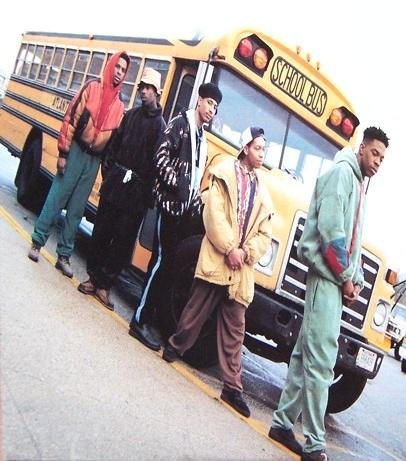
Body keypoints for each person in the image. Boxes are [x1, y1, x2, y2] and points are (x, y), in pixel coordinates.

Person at [268, 126, 389, 461]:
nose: (377, 162)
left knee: (303, 356)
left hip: (334, 280)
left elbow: (352, 239)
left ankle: (282, 424)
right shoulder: (342, 176)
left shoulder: (357, 183)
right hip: (326, 279)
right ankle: (314, 444)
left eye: (382, 158)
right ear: (361, 148)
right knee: (322, 362)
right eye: (374, 153)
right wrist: (348, 278)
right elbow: (332, 234)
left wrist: (356, 278)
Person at [161, 127, 273, 418]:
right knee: (196, 309)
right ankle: (176, 346)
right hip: (219, 258)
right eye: (258, 148)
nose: (262, 154)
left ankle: (232, 388)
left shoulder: (263, 191)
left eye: (264, 149)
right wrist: (230, 249)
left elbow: (265, 233)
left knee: (235, 329)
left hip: (241, 268)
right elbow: (214, 215)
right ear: (246, 148)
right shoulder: (223, 174)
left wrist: (246, 253)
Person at [128, 82, 223, 351]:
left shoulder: (201, 137)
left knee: (167, 266)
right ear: (199, 100)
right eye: (209, 103)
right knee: (159, 262)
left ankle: (149, 318)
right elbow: (160, 158)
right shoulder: (180, 124)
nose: (211, 110)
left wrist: (193, 197)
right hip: (169, 206)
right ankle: (139, 320)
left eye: (216, 107)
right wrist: (178, 186)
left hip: (182, 211)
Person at [27, 52, 130, 278]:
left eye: (123, 70)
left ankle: (63, 256)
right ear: (110, 66)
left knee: (76, 210)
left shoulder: (119, 105)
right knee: (57, 198)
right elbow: (70, 118)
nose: (119, 73)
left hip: (93, 160)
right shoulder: (91, 88)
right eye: (117, 67)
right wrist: (63, 153)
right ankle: (37, 243)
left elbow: (113, 140)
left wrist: (104, 168)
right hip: (75, 151)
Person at [77, 68, 166, 310]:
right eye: (142, 87)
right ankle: (93, 278)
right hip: (115, 185)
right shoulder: (130, 116)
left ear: (157, 92)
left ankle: (105, 285)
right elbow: (114, 145)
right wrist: (109, 172)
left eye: (148, 88)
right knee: (101, 232)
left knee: (122, 242)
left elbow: (156, 166)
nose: (143, 91)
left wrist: (144, 192)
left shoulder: (161, 127)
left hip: (135, 195)